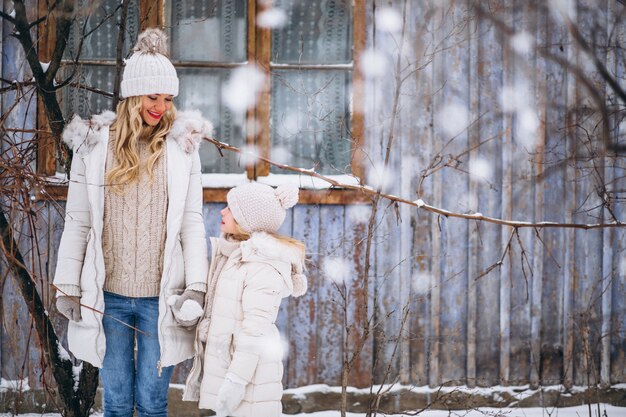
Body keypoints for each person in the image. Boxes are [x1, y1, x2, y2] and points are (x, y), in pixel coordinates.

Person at [53, 27, 213, 417]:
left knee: (154, 403)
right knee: (119, 403)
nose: (161, 107)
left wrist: (196, 287)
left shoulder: (182, 149)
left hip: (162, 297)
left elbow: (192, 221)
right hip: (109, 297)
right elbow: (78, 221)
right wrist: (68, 285)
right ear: (132, 96)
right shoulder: (93, 147)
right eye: (153, 97)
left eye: (168, 98)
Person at [180, 182, 307, 417]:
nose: (222, 211)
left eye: (230, 208)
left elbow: (254, 333)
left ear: (247, 221)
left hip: (249, 382)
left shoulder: (261, 267)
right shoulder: (235, 255)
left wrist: (236, 381)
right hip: (230, 368)